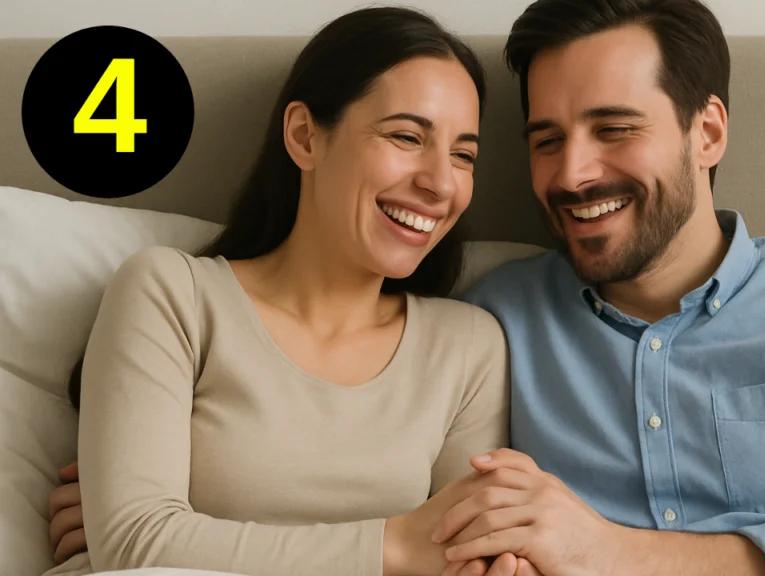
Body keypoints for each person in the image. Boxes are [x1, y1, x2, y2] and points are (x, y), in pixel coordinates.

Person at [52, 0, 765, 575]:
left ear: (708, 131)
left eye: (615, 128)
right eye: (545, 140)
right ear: (306, 136)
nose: (574, 172)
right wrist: (147, 507)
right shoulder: (500, 317)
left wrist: (615, 553)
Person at [43, 6, 528, 576]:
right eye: (405, 136)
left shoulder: (468, 347)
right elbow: (135, 547)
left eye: (463, 155)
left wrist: (191, 533)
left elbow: (462, 560)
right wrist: (393, 547)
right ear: (304, 136)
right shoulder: (174, 295)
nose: (441, 183)